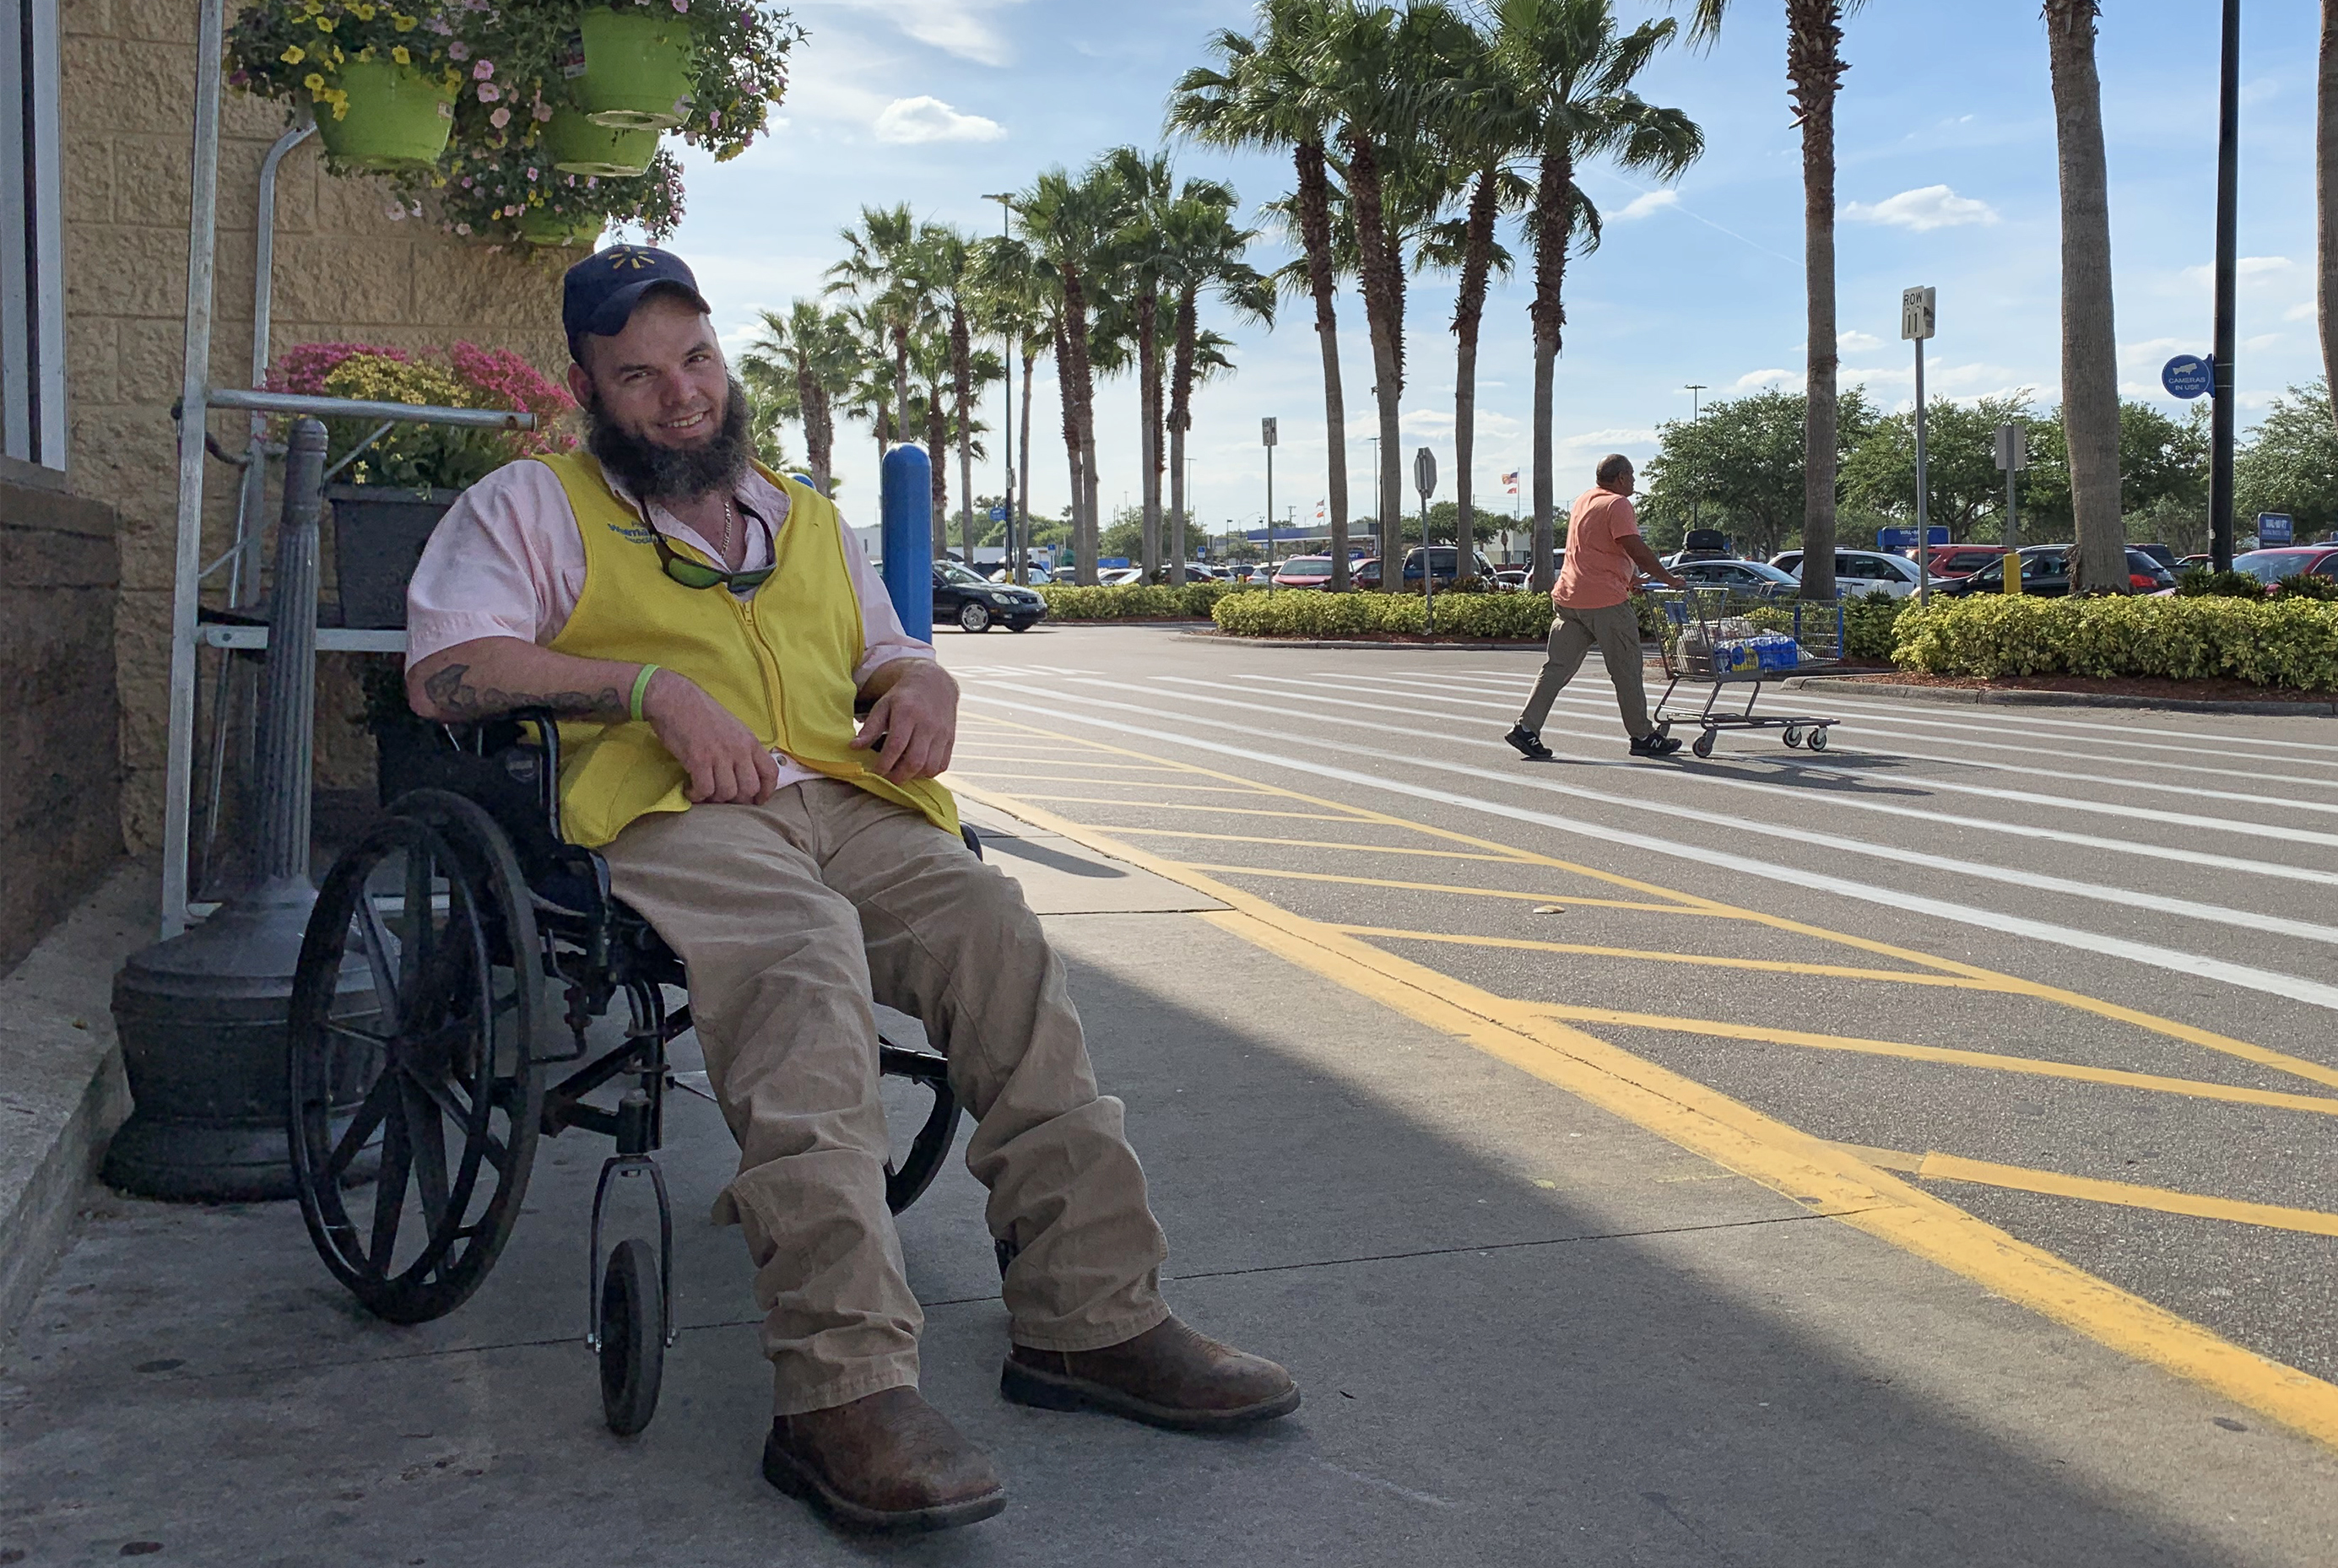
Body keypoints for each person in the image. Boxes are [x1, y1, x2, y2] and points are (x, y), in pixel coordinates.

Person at [403, 247, 1296, 1538]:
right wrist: (646, 689)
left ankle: (1091, 1317)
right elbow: (446, 676)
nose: (681, 396)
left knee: (999, 934)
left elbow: (885, 654)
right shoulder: (531, 508)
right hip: (666, 809)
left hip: (850, 802)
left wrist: (923, 686)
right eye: (639, 375)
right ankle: (841, 1387)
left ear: (723, 356)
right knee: (804, 960)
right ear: (589, 390)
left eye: (696, 359)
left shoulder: (805, 515)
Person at [1505, 454, 1686, 760]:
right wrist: (1667, 578)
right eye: (1632, 476)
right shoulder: (1618, 504)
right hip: (1605, 602)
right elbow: (1633, 546)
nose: (1634, 482)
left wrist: (1631, 578)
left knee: (1556, 668)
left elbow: (1596, 548)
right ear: (1620, 478)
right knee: (1627, 669)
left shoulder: (1584, 500)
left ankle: (1527, 728)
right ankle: (1642, 736)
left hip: (1569, 598)